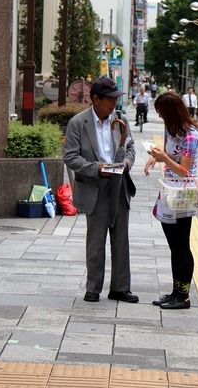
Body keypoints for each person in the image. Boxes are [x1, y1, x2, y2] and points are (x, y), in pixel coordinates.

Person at [63, 77, 138, 304]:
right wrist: (97, 168)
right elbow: (70, 157)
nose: (114, 105)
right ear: (95, 99)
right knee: (96, 240)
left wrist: (126, 163)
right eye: (110, 100)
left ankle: (120, 287)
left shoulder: (120, 119)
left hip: (119, 184)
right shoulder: (78, 123)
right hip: (96, 185)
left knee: (121, 238)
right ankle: (93, 287)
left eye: (116, 100)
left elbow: (131, 147)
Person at [144, 92, 198, 310]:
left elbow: (184, 171)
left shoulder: (191, 137)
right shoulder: (171, 129)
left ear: (172, 113)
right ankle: (175, 291)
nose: (160, 117)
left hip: (184, 194)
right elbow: (167, 155)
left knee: (181, 245)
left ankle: (184, 296)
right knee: (173, 245)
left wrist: (164, 158)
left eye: (162, 113)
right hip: (169, 191)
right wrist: (153, 156)